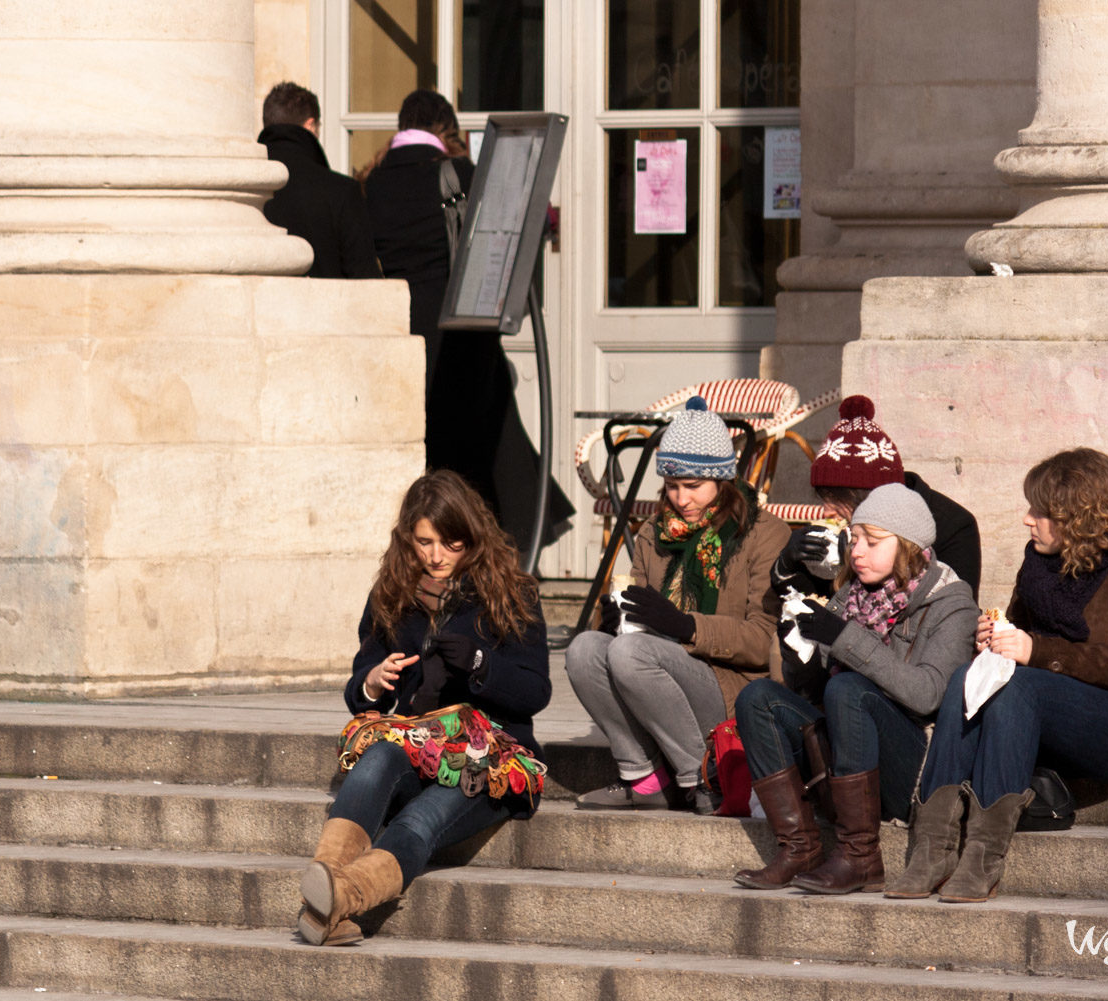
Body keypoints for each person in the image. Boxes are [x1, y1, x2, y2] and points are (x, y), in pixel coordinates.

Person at [885, 448, 1108, 904]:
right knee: (966, 679)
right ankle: (932, 849)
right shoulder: (1041, 559)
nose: (1028, 520)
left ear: (1078, 516)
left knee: (1018, 687)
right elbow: (1022, 636)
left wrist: (1034, 649)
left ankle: (983, 857)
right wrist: (993, 637)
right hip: (1050, 704)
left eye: (1040, 511)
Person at [298, 469, 551, 946]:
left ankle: (336, 898)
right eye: (424, 542)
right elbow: (364, 678)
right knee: (375, 762)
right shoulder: (393, 592)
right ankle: (326, 886)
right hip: (417, 742)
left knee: (421, 819)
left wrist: (480, 664)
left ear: (472, 537)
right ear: (407, 539)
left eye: (450, 543)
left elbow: (535, 693)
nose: (436, 556)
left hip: (489, 754)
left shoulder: (512, 592)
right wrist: (372, 682)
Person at [733, 484, 977, 893]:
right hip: (848, 760)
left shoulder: (952, 603)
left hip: (913, 770)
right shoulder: (853, 594)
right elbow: (813, 694)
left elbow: (927, 694)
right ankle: (799, 848)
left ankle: (860, 857)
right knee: (758, 698)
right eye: (854, 538)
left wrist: (844, 638)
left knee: (850, 688)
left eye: (872, 541)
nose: (856, 551)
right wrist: (801, 650)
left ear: (910, 547)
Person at [359, 89, 573, 554]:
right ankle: (492, 555)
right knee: (485, 460)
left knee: (433, 459)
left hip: (402, 335)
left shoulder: (371, 184)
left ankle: (434, 553)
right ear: (445, 130)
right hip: (461, 334)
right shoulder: (458, 174)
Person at [565, 398, 789, 813]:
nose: (681, 498)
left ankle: (702, 777)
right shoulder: (654, 530)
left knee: (632, 652)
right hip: (659, 671)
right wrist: (614, 618)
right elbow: (634, 617)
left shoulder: (764, 533)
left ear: (723, 481)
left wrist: (686, 625)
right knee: (584, 649)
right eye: (671, 485)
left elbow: (763, 641)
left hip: (730, 683)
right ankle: (645, 776)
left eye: (693, 486)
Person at [773, 395, 981, 600]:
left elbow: (954, 616)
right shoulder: (843, 531)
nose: (827, 511)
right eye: (824, 498)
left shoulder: (952, 526)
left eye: (837, 499)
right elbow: (811, 605)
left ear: (871, 495)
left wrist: (859, 568)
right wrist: (787, 565)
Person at [257, 82, 381, 279]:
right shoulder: (342, 192)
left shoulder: (249, 188)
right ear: (310, 125)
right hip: (327, 307)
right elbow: (365, 280)